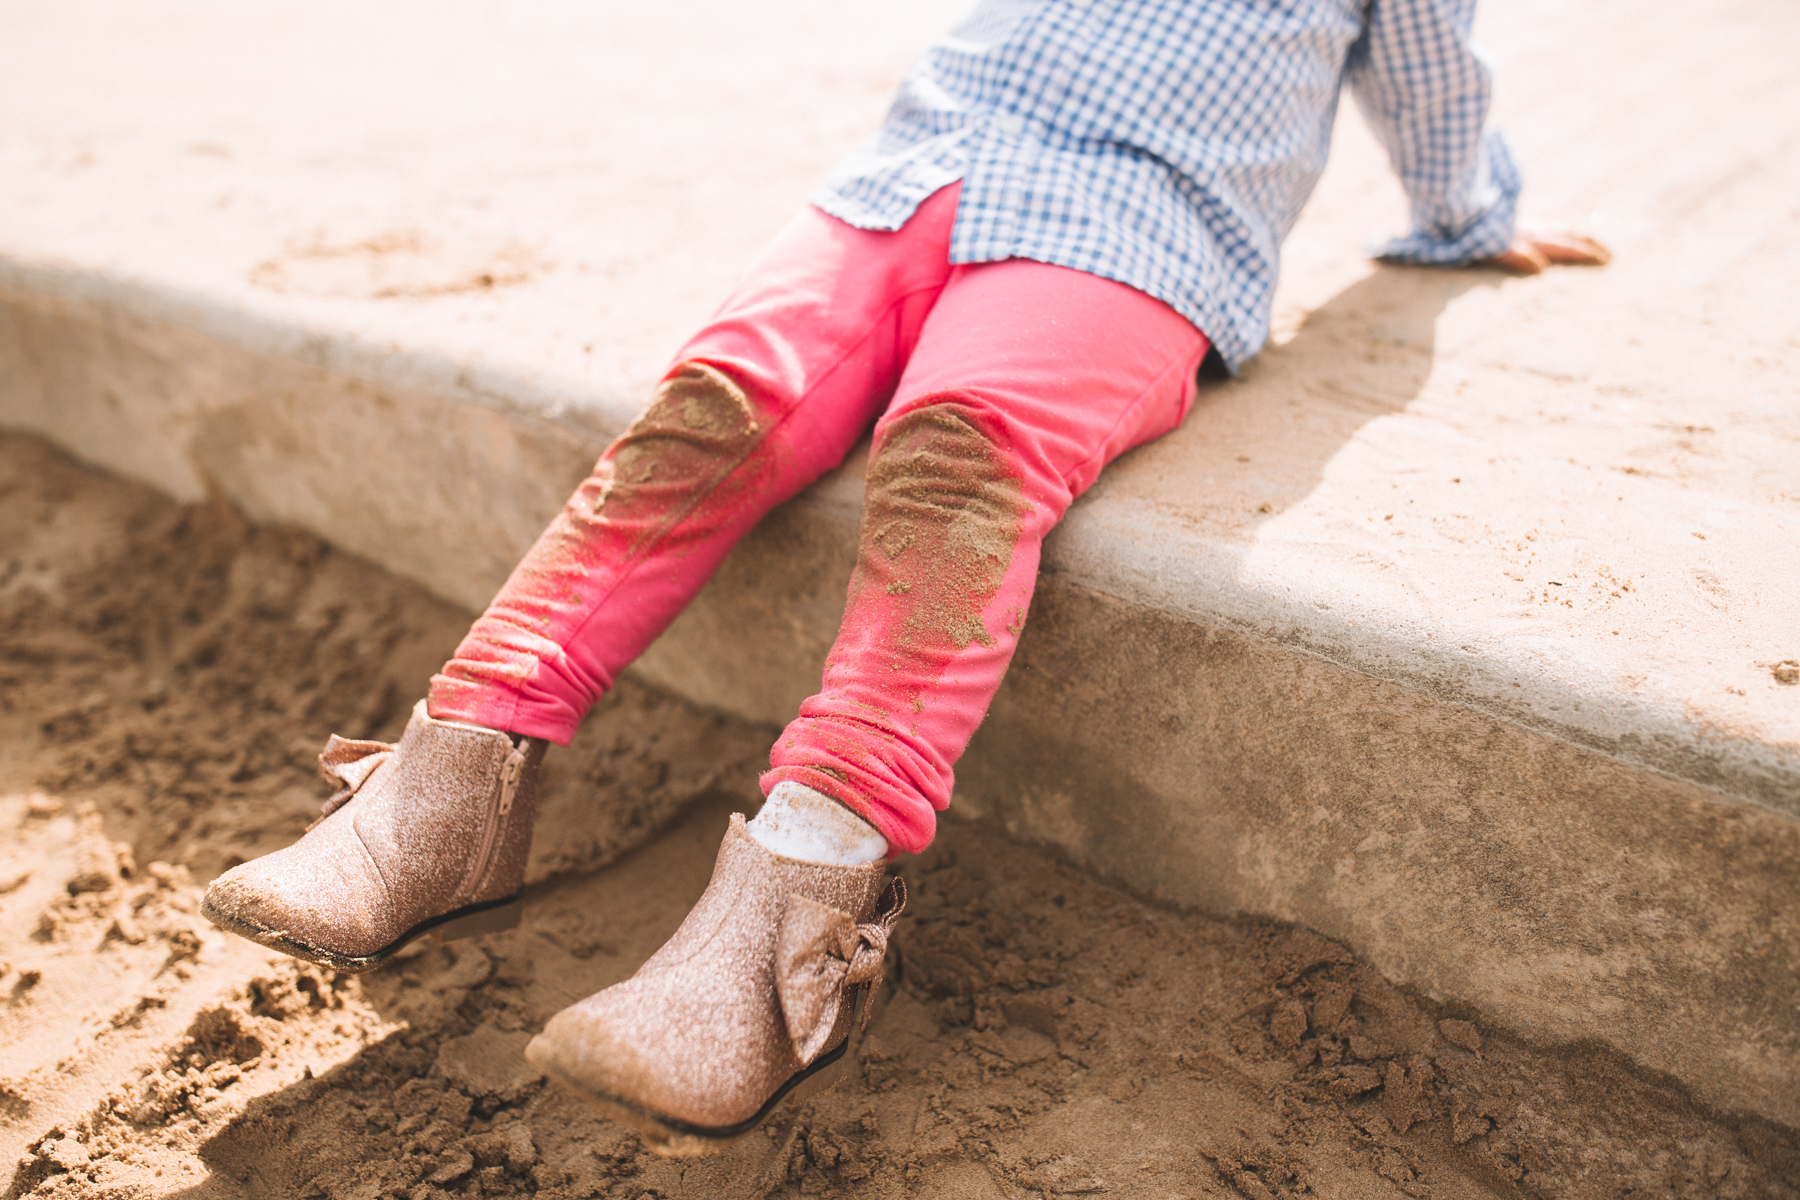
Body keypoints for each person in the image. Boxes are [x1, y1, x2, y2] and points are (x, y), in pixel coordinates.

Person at [202, 0, 1606, 1153]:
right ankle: (449, 791)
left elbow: (1432, 61)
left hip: (1138, 227)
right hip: (912, 176)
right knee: (708, 411)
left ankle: (784, 933)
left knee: (957, 462)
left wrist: (1467, 212)